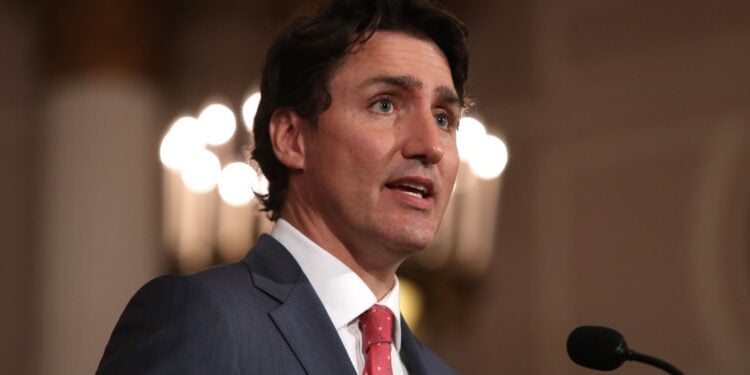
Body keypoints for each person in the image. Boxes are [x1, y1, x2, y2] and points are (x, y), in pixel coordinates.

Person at [97, 0, 469, 373]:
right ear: (292, 138)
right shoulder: (203, 317)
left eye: (443, 117)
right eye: (385, 105)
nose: (430, 146)